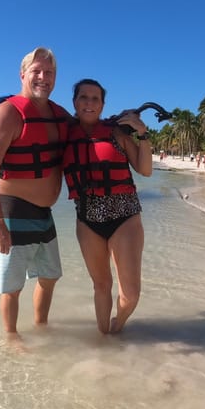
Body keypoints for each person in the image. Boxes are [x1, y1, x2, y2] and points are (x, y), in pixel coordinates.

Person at [0, 47, 71, 336]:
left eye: (50, 73)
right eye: (37, 71)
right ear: (23, 75)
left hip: (44, 213)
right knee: (12, 287)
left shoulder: (59, 115)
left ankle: (41, 327)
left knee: (49, 276)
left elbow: (89, 129)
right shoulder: (9, 113)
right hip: (13, 210)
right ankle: (11, 338)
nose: (44, 77)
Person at [62, 79, 152, 334]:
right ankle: (104, 341)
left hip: (125, 217)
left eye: (95, 98)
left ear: (102, 105)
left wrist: (142, 133)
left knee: (130, 295)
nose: (89, 103)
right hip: (87, 219)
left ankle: (118, 325)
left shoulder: (116, 133)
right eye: (83, 97)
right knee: (101, 286)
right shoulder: (65, 136)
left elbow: (145, 170)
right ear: (74, 102)